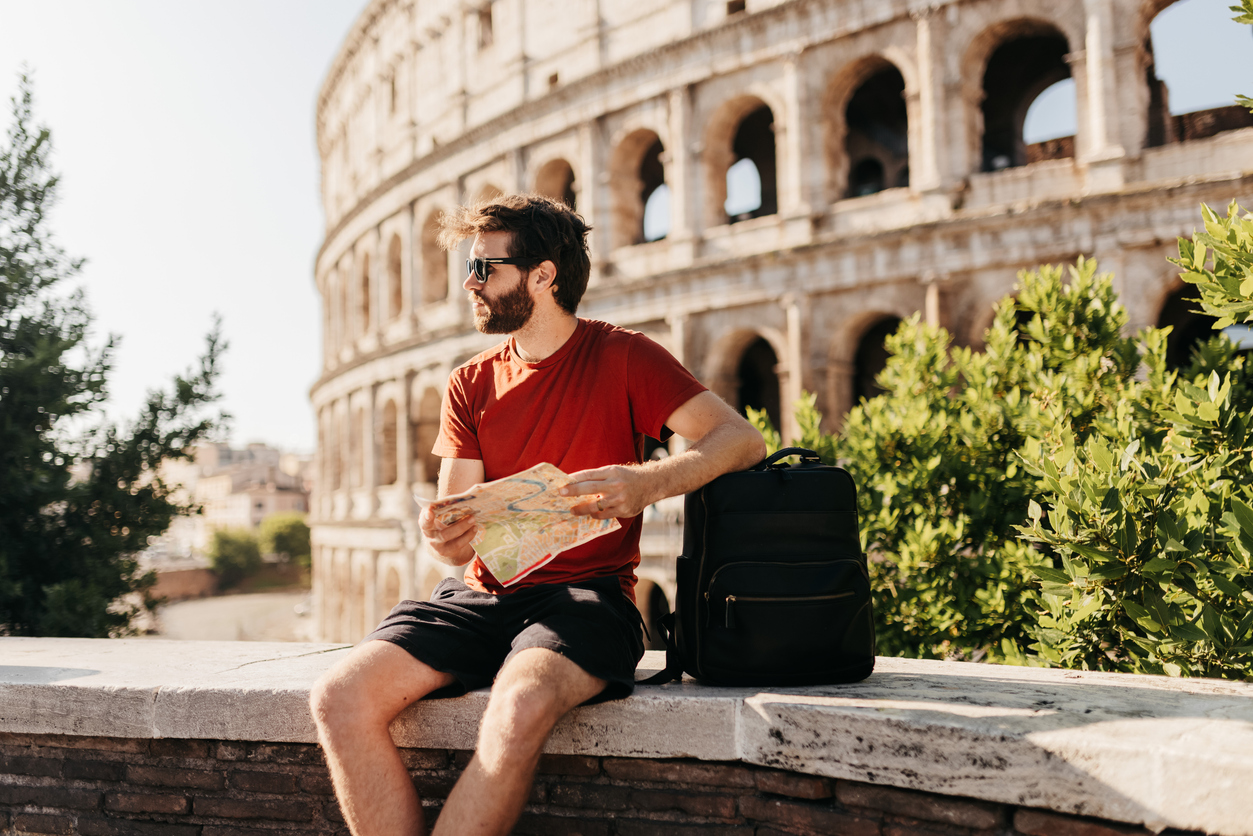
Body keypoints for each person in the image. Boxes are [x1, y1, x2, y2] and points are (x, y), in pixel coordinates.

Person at [309, 194, 766, 836]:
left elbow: (740, 440)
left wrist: (647, 482)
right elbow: (455, 540)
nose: (470, 285)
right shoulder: (468, 383)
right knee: (338, 698)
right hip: (480, 596)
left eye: (484, 269)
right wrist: (444, 534)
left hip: (588, 598)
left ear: (543, 275)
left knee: (518, 705)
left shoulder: (625, 356)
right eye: (469, 269)